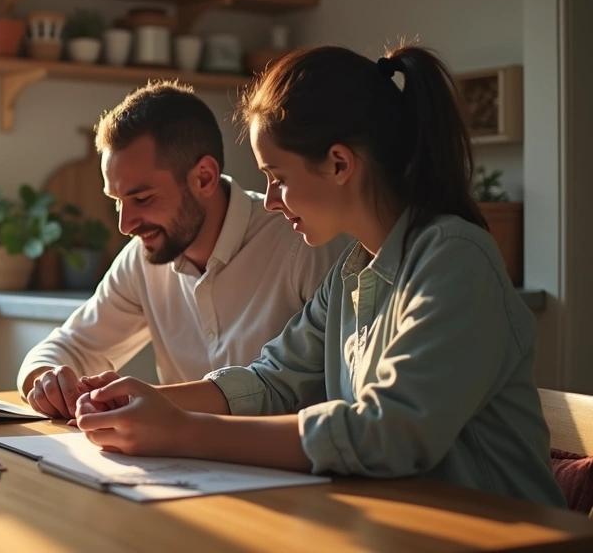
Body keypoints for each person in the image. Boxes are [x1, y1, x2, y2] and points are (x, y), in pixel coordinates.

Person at [73, 44, 566, 508]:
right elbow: (273, 383)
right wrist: (148, 400)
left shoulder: (454, 258)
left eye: (278, 178)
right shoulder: (351, 273)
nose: (269, 200)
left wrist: (181, 430)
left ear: (338, 164)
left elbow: (388, 433)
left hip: (502, 536)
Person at [21, 81, 348, 418]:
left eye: (143, 198)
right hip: (183, 465)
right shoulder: (143, 257)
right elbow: (70, 346)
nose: (125, 225)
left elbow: (337, 397)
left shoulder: (304, 242)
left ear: (204, 177)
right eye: (117, 202)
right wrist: (47, 381)